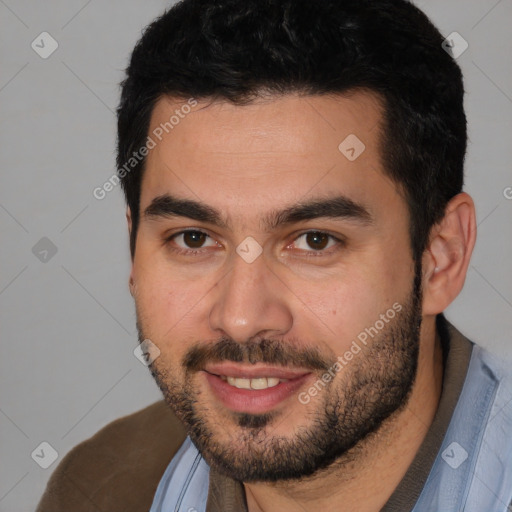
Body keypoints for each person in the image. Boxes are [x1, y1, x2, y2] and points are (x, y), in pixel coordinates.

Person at [36, 0, 512, 510]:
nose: (241, 319)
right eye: (193, 239)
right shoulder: (104, 489)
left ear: (441, 257)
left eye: (315, 241)